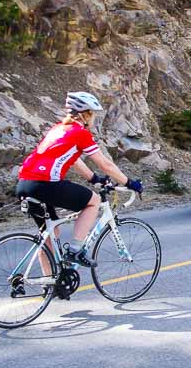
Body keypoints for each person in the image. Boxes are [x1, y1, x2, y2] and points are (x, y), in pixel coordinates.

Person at [16, 91, 143, 268]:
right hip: (45, 184)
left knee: (51, 234)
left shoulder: (58, 129)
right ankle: (76, 249)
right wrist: (130, 183)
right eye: (93, 114)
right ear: (85, 114)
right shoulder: (79, 133)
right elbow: (106, 164)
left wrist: (94, 179)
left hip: (24, 184)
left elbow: (74, 160)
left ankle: (49, 285)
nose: (94, 119)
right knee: (94, 201)